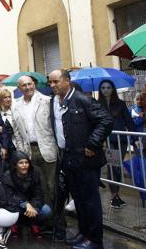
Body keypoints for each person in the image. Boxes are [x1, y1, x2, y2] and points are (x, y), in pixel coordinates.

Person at [48, 69, 113, 249]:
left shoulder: (82, 99)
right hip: (68, 158)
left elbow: (106, 120)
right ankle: (84, 234)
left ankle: (95, 239)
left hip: (86, 159)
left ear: (67, 81)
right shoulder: (54, 101)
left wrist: (92, 144)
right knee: (78, 200)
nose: (52, 85)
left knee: (90, 201)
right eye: (50, 83)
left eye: (56, 82)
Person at [11, 75, 58, 215]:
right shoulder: (16, 105)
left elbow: (54, 126)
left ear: (34, 84)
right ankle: (44, 221)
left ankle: (58, 223)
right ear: (19, 88)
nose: (27, 87)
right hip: (28, 151)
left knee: (52, 186)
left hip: (47, 149)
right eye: (23, 85)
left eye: (29, 84)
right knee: (38, 187)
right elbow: (16, 131)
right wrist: (21, 150)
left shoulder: (47, 101)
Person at [97, 79, 135, 208]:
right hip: (107, 141)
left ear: (112, 89)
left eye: (108, 87)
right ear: (100, 90)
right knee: (112, 167)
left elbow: (129, 121)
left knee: (117, 168)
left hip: (121, 140)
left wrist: (135, 139)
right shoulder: (97, 105)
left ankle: (116, 194)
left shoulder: (120, 104)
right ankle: (114, 196)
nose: (106, 90)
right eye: (103, 88)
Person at [2, 151, 52, 238]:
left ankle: (33, 224)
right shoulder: (7, 176)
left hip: (31, 206)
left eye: (26, 162)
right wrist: (25, 204)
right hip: (16, 205)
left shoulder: (34, 173)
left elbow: (38, 194)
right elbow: (9, 196)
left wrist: (34, 207)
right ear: (15, 165)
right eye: (21, 163)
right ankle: (15, 225)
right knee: (9, 208)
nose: (24, 165)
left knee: (46, 210)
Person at [0, 88, 17, 159]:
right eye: (5, 97)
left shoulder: (15, 112)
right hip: (2, 149)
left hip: (16, 146)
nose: (8, 99)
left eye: (9, 97)